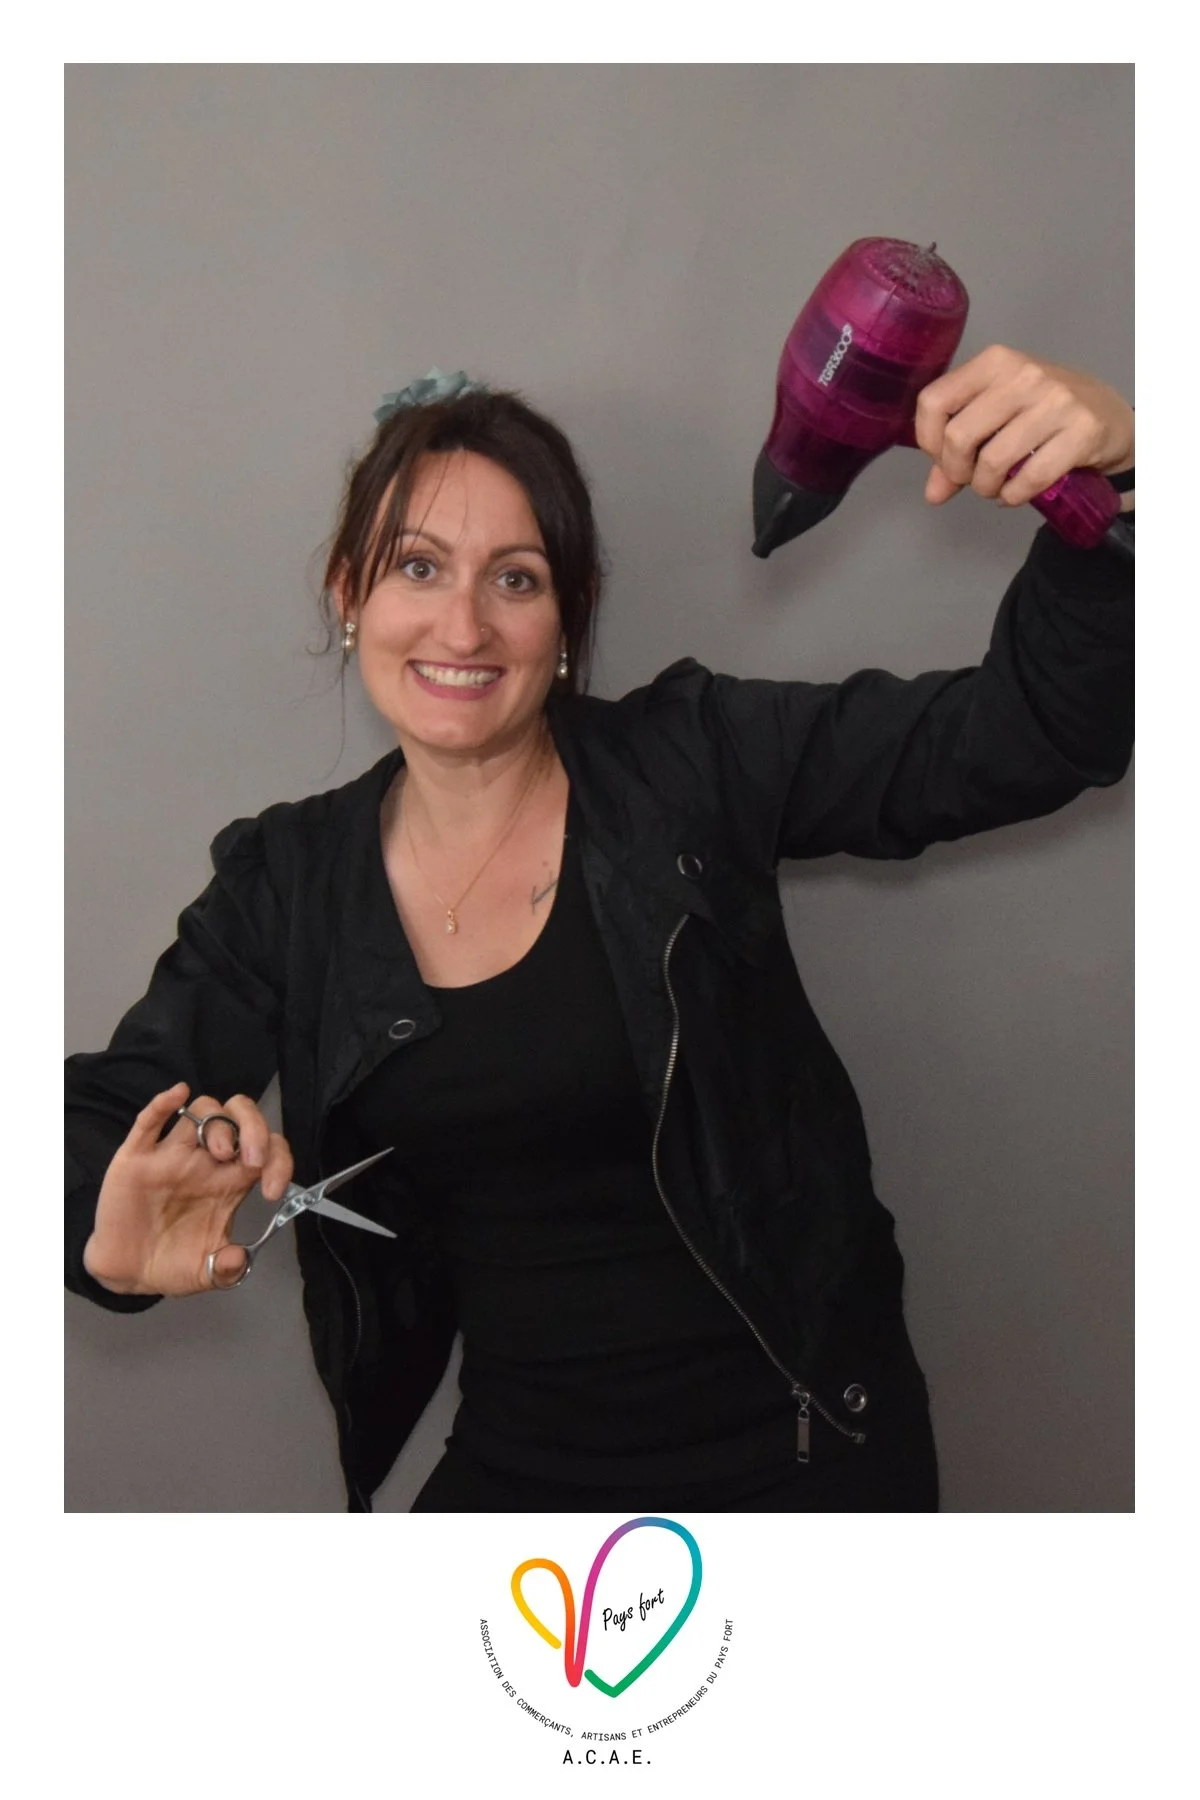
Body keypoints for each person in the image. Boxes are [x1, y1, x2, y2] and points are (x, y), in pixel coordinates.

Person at [65, 352, 1134, 1512]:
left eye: (515, 579)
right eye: (418, 567)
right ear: (347, 592)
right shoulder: (288, 883)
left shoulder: (695, 763)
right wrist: (95, 1227)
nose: (463, 625)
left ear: (567, 615)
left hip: (807, 1460)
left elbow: (1024, 735)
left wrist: (1124, 488)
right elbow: (102, 1116)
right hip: (524, 1483)